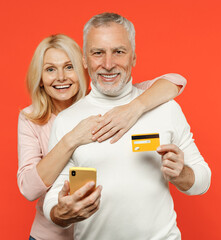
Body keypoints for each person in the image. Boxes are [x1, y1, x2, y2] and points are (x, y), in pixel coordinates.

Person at [43, 13, 211, 240]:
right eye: (98, 53)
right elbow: (54, 197)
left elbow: (202, 180)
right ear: (84, 59)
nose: (108, 64)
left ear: (133, 57)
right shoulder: (67, 121)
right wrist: (61, 212)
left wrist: (182, 174)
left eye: (119, 52)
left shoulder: (165, 108)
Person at [18, 34, 187, 240]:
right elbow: (29, 188)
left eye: (69, 67)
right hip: (51, 236)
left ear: (84, 68)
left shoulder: (109, 99)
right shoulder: (31, 118)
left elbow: (174, 82)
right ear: (41, 79)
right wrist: (72, 139)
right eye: (50, 69)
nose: (61, 77)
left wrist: (134, 108)